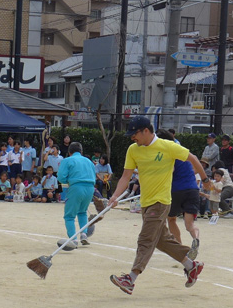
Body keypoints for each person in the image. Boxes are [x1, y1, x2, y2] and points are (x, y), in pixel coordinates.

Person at [107, 116, 210, 295]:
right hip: (146, 202)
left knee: (146, 239)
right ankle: (191, 265)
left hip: (161, 201)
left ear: (146, 131)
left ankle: (130, 278)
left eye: (135, 134)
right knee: (161, 241)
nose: (132, 138)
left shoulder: (167, 146)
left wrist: (206, 179)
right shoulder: (133, 150)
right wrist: (115, 196)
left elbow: (192, 158)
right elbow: (125, 176)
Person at [156, 129, 200, 259]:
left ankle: (180, 249)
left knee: (171, 219)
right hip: (192, 188)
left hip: (176, 190)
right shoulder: (180, 147)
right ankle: (195, 238)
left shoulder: (167, 150)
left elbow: (171, 170)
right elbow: (195, 165)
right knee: (190, 224)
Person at [57, 142, 96, 246]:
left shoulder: (67, 160)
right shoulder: (89, 161)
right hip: (90, 187)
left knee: (69, 216)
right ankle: (84, 234)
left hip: (76, 187)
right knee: (82, 212)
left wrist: (68, 180)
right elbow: (94, 174)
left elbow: (61, 177)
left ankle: (73, 239)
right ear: (81, 152)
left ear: (69, 152)